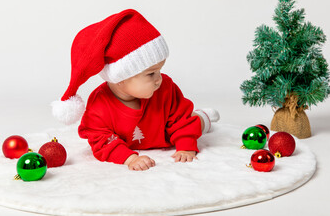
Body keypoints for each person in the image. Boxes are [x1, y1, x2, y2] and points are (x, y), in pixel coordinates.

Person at [52, 9, 219, 171]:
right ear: (121, 78)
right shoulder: (100, 105)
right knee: (192, 121)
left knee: (194, 122)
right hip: (139, 141)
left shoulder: (165, 89)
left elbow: (181, 120)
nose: (159, 79)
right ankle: (202, 117)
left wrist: (186, 147)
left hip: (166, 134)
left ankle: (204, 117)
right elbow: (101, 140)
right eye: (151, 74)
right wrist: (130, 158)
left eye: (159, 70)